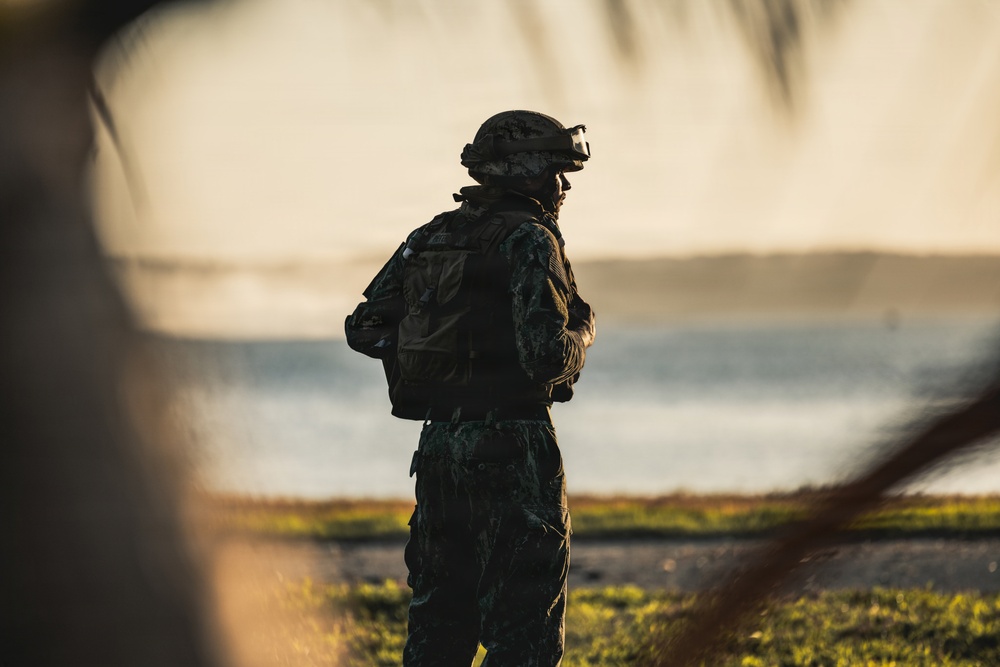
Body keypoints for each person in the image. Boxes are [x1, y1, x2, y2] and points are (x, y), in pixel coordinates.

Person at [345, 110, 596, 666]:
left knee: (440, 622)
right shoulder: (530, 240)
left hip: (440, 449)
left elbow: (364, 327)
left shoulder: (431, 236)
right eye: (557, 171)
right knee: (524, 631)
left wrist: (435, 364)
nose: (564, 185)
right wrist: (583, 331)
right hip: (514, 446)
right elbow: (546, 357)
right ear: (527, 174)